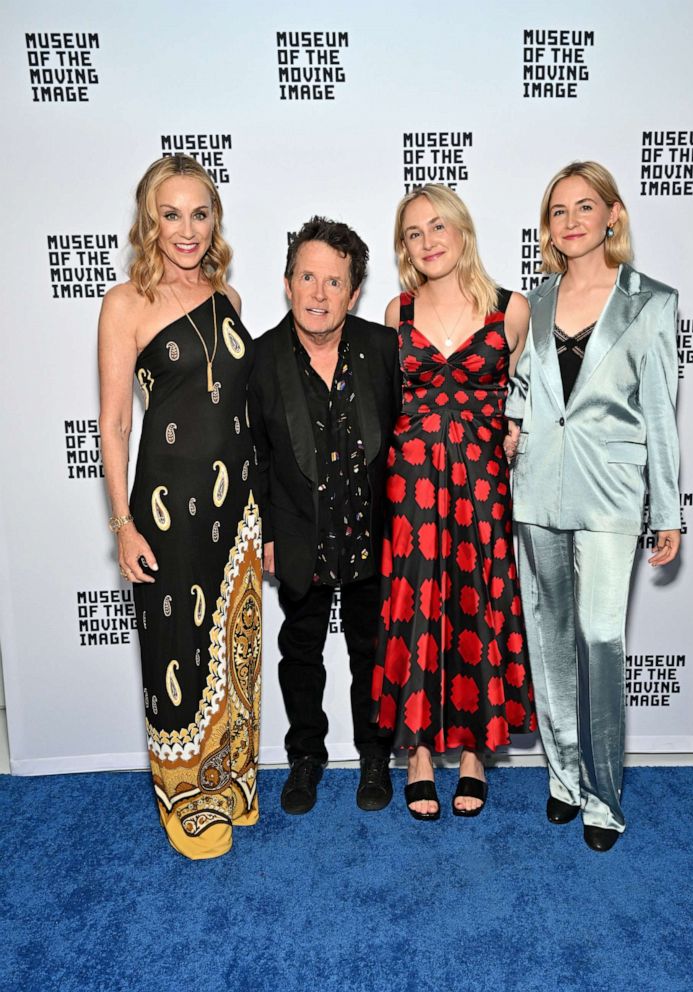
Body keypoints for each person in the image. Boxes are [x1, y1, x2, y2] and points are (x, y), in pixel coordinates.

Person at [505, 161, 681, 852]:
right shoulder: (536, 299)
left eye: (585, 207)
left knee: (601, 641)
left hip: (611, 493)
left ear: (613, 214)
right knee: (548, 640)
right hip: (538, 486)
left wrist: (665, 509)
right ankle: (563, 777)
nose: (571, 220)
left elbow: (661, 414)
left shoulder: (652, 302)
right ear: (548, 227)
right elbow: (524, 387)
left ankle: (604, 799)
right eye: (558, 211)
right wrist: (512, 423)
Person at [98, 155, 262, 860]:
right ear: (149, 220)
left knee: (237, 649)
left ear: (214, 219)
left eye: (200, 213)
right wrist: (122, 524)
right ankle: (183, 803)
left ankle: (230, 784)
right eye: (172, 214)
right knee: (178, 653)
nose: (187, 229)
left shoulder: (229, 296)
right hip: (166, 510)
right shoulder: (124, 303)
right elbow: (113, 426)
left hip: (239, 508)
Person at [372, 184, 536, 821]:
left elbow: (520, 392)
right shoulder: (397, 312)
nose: (428, 241)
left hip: (481, 480)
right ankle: (415, 754)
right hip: (411, 481)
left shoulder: (511, 308)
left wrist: (512, 428)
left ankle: (472, 754)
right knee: (414, 606)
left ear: (463, 230)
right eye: (413, 233)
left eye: (438, 226)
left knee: (478, 598)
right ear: (404, 249)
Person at [249, 217, 400, 815]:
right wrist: (264, 533)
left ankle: (373, 756)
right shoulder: (259, 359)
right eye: (307, 277)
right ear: (287, 283)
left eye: (333, 282)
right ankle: (305, 757)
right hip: (297, 536)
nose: (318, 293)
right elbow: (254, 455)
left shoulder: (384, 350)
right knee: (300, 653)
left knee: (372, 651)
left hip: (373, 532)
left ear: (354, 292)